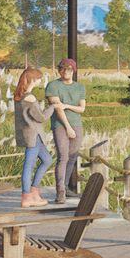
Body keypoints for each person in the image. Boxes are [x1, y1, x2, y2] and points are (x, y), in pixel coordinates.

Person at [44, 59, 87, 204]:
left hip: (77, 124)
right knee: (63, 157)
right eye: (62, 69)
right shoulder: (53, 86)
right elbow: (57, 108)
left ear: (73, 70)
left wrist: (67, 105)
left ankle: (66, 186)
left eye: (68, 69)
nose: (65, 71)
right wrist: (68, 127)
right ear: (59, 70)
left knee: (73, 156)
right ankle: (60, 191)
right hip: (60, 125)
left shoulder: (80, 87)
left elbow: (82, 108)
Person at [13, 68, 55, 208]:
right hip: (33, 135)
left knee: (47, 160)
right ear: (32, 79)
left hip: (30, 134)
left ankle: (34, 191)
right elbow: (41, 117)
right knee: (29, 165)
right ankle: (26, 196)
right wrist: (53, 107)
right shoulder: (29, 97)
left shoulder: (20, 95)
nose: (39, 80)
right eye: (38, 78)